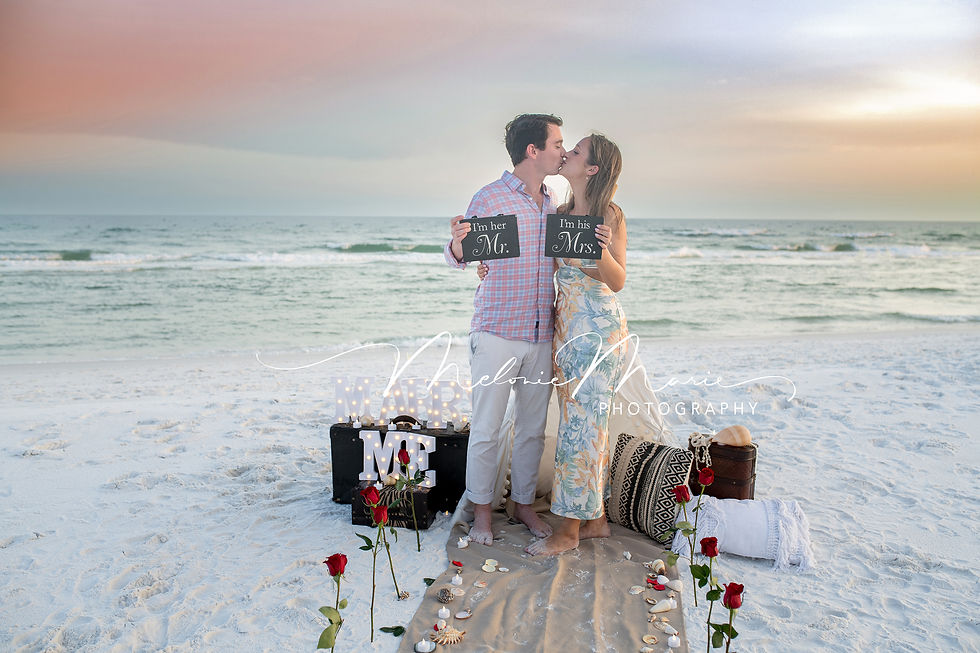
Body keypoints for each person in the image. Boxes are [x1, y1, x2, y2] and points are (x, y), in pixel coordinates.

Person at [479, 133, 628, 556]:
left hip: (597, 331)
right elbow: (533, 260)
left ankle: (568, 532)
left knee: (582, 429)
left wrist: (600, 251)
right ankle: (594, 520)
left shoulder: (610, 215)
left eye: (576, 152)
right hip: (564, 331)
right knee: (581, 424)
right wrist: (486, 263)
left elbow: (617, 281)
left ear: (592, 168)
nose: (567, 154)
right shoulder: (559, 213)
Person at [444, 113, 567, 545]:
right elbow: (458, 254)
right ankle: (481, 512)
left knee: (534, 428)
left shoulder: (554, 201)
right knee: (488, 427)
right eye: (556, 144)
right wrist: (460, 244)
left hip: (541, 333)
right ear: (532, 151)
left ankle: (523, 505)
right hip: (496, 330)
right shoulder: (490, 196)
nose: (562, 151)